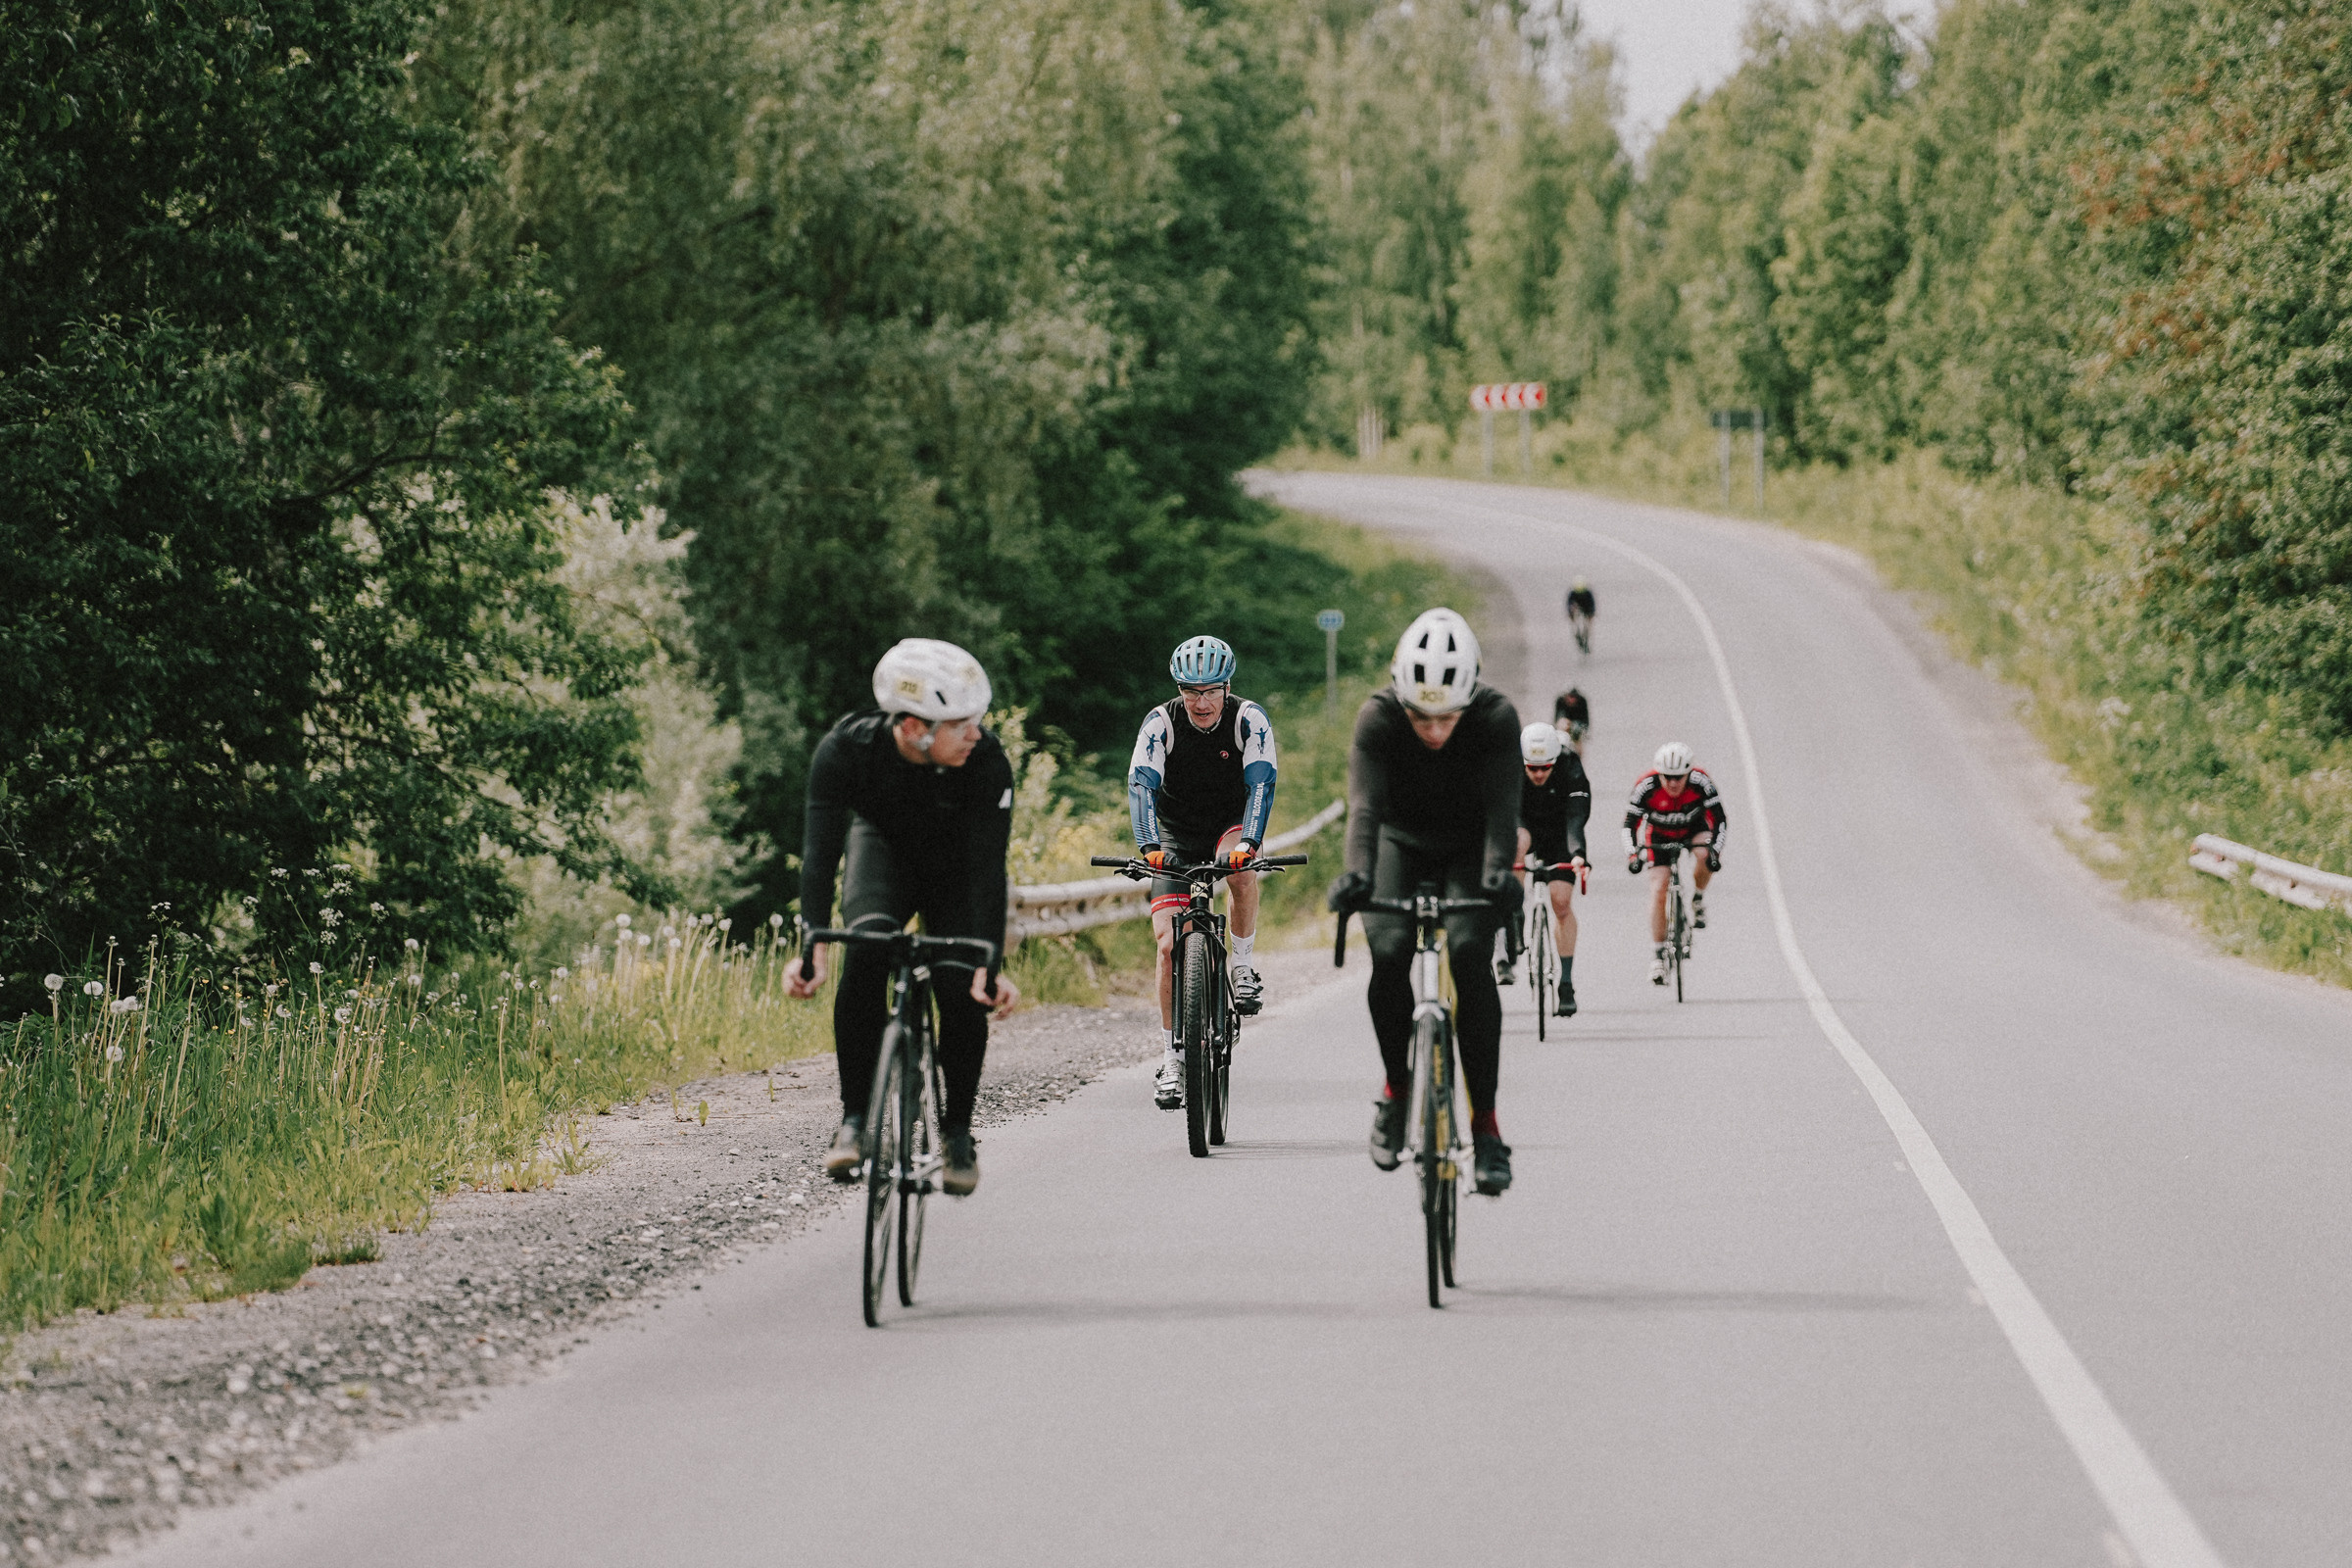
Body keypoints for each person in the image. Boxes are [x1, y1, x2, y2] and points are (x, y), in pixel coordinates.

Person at [785, 638, 1022, 1196]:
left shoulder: (986, 761)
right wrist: (811, 945)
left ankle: (958, 1132)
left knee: (960, 982)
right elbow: (820, 856)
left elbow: (990, 869)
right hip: (883, 856)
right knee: (865, 951)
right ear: (916, 727)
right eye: (961, 723)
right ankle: (853, 1121)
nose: (976, 733)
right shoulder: (845, 750)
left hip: (955, 870)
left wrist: (992, 960)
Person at [1327, 608, 1523, 1196]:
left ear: (1468, 700)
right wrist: (1357, 874)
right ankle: (1395, 1090)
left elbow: (1502, 813)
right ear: (1401, 698)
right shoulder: (1378, 718)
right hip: (1399, 842)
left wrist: (1497, 874)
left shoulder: (1494, 719)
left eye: (1446, 718)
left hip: (1469, 850)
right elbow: (1363, 808)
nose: (1434, 731)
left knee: (1468, 954)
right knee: (1388, 951)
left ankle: (1486, 1129)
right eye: (1421, 716)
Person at [1128, 635, 1278, 1110]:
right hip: (1174, 833)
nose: (1201, 702)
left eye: (1211, 690)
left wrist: (1251, 842)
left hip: (1230, 825)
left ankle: (1243, 965)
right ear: (1179, 690)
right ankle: (1172, 1058)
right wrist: (1149, 846)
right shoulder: (1161, 723)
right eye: (1191, 691)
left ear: (1227, 688)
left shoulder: (1249, 719)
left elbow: (1260, 783)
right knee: (1170, 943)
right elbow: (1141, 784)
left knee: (1240, 868)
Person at [1623, 740, 1727, 985]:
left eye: (1679, 777)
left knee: (1703, 855)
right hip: (1658, 835)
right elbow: (1629, 825)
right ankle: (1658, 955)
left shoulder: (1701, 782)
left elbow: (1720, 820)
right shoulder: (1645, 786)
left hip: (1693, 829)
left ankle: (1698, 897)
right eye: (1667, 776)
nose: (1672, 783)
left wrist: (1715, 854)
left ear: (1689, 773)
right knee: (1658, 888)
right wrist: (1632, 855)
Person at [1516, 722, 1591, 1015]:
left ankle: (1566, 982)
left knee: (1561, 903)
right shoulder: (1509, 767)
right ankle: (1513, 913)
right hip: (1523, 827)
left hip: (1560, 833)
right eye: (1531, 768)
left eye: (1545, 768)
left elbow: (1576, 817)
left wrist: (1578, 854)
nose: (1538, 774)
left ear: (1555, 761)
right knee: (1517, 843)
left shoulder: (1570, 766)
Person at [1552, 686, 1591, 753]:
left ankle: (1577, 757)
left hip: (1577, 723)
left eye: (1574, 698)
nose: (1572, 700)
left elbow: (1585, 718)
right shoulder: (1560, 701)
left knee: (1576, 732)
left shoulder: (1582, 702)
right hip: (1564, 722)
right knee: (1563, 725)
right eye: (1570, 697)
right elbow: (1557, 717)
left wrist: (1585, 730)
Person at [1566, 577, 1596, 652]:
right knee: (1575, 625)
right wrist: (1571, 613)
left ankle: (1585, 637)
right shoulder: (1572, 594)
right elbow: (1569, 604)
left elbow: (1592, 605)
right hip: (1577, 607)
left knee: (1588, 626)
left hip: (1587, 607)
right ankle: (1577, 635)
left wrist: (1591, 614)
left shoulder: (1588, 593)